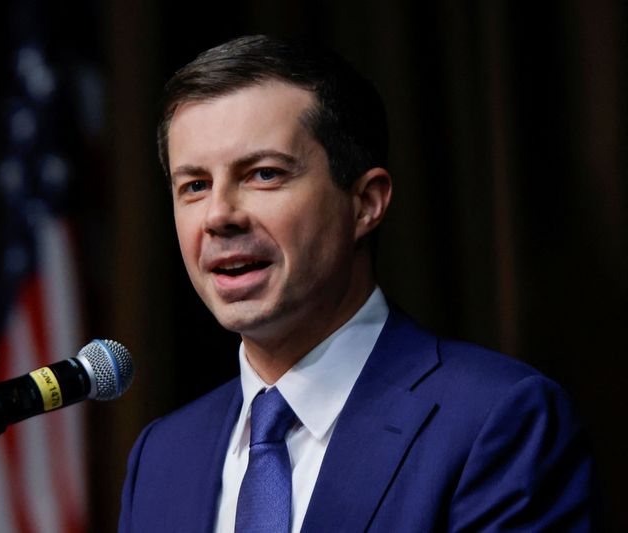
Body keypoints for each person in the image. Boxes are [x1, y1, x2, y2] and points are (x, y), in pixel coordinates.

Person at [119, 35, 595, 532]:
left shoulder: (497, 420)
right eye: (195, 186)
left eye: (263, 174)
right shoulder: (162, 457)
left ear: (366, 203)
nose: (218, 216)